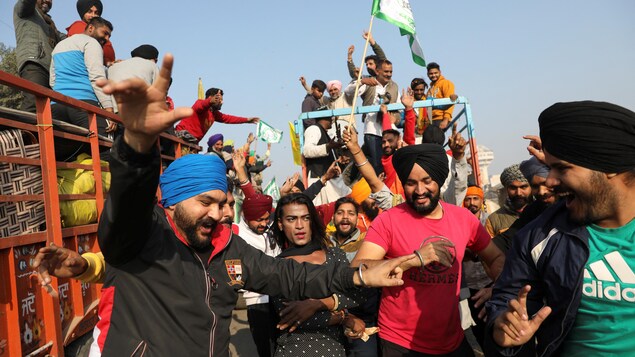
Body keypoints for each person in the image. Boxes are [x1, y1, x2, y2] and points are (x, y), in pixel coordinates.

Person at [75, 53, 413, 356]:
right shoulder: (142, 236)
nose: (219, 213)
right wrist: (136, 144)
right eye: (206, 202)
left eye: (222, 202)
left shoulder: (227, 247)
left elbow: (288, 276)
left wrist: (361, 276)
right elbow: (127, 200)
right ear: (173, 201)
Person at [487, 101, 635, 356]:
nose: (550, 181)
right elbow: (507, 302)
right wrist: (502, 326)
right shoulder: (538, 236)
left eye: (562, 168)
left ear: (609, 166)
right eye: (550, 167)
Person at [351, 143, 505, 356]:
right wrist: (413, 260)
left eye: (427, 181)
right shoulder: (388, 221)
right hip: (400, 342)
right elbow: (356, 268)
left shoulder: (464, 220)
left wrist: (499, 289)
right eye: (411, 183)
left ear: (439, 180)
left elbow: (496, 257)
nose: (420, 190)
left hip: (452, 340)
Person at [272, 193, 366, 357]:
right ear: (280, 224)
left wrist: (317, 304)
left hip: (335, 348)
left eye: (306, 218)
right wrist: (343, 316)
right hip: (295, 349)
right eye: (291, 219)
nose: (300, 225)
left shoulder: (335, 255)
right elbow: (294, 318)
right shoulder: (277, 266)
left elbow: (357, 294)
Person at [49, 17, 114, 160]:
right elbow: (97, 77)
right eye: (105, 33)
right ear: (91, 28)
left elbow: (52, 80)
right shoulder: (91, 43)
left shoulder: (59, 46)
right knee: (103, 149)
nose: (107, 38)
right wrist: (109, 109)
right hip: (84, 104)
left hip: (56, 106)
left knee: (62, 155)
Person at [344, 59, 399, 175]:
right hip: (373, 131)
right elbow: (348, 92)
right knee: (378, 166)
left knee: (393, 164)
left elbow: (398, 108)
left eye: (390, 72)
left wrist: (395, 118)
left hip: (389, 130)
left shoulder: (394, 86)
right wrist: (362, 81)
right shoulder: (369, 83)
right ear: (378, 71)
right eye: (386, 72)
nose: (389, 74)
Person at [14, 0, 66, 113]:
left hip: (50, 70)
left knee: (47, 110)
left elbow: (65, 39)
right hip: (34, 63)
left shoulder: (50, 24)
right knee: (33, 104)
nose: (47, 0)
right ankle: (17, 130)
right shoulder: (26, 10)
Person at [175, 87, 259, 144]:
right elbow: (200, 105)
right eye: (220, 99)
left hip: (193, 142)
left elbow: (229, 118)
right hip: (182, 136)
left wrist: (247, 120)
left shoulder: (214, 114)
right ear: (212, 98)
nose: (222, 102)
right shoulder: (200, 104)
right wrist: (209, 101)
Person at [485, 164, 532, 236]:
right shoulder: (493, 220)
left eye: (523, 187)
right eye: (513, 188)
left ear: (531, 187)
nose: (518, 193)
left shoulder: (543, 213)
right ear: (507, 189)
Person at [66, 0, 115, 66]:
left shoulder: (102, 33)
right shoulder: (77, 26)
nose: (93, 15)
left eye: (96, 13)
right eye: (89, 12)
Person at [426, 62, 457, 130]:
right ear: (427, 74)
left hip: (440, 119)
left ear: (440, 72)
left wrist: (445, 119)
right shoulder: (429, 90)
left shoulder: (446, 83)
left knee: (437, 139)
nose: (433, 75)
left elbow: (450, 102)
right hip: (431, 121)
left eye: (435, 73)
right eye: (431, 73)